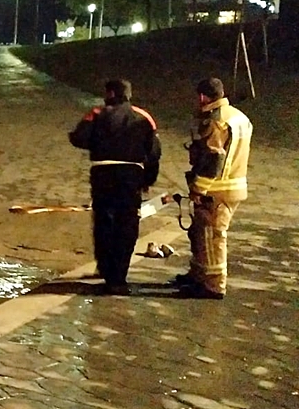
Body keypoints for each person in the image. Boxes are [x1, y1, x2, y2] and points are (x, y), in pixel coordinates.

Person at [69, 79, 162, 292]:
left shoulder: (97, 113)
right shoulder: (144, 117)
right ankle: (118, 277)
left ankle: (105, 266)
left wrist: (100, 141)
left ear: (110, 93)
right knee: (127, 223)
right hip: (132, 175)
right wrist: (148, 180)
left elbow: (78, 138)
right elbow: (154, 153)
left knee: (104, 221)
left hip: (103, 172)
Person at [174, 78, 252, 299]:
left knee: (212, 237)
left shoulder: (216, 122)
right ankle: (198, 274)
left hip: (217, 190)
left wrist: (198, 189)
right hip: (234, 184)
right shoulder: (239, 117)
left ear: (202, 97)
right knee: (200, 234)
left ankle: (213, 285)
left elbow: (213, 159)